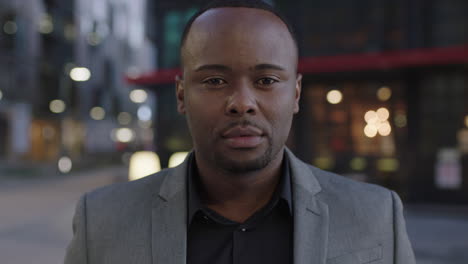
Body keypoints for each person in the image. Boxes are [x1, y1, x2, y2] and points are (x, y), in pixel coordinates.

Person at [65, 1, 416, 263]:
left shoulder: (375, 216)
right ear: (182, 94)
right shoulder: (101, 221)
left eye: (266, 81)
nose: (242, 103)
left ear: (294, 94)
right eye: (215, 81)